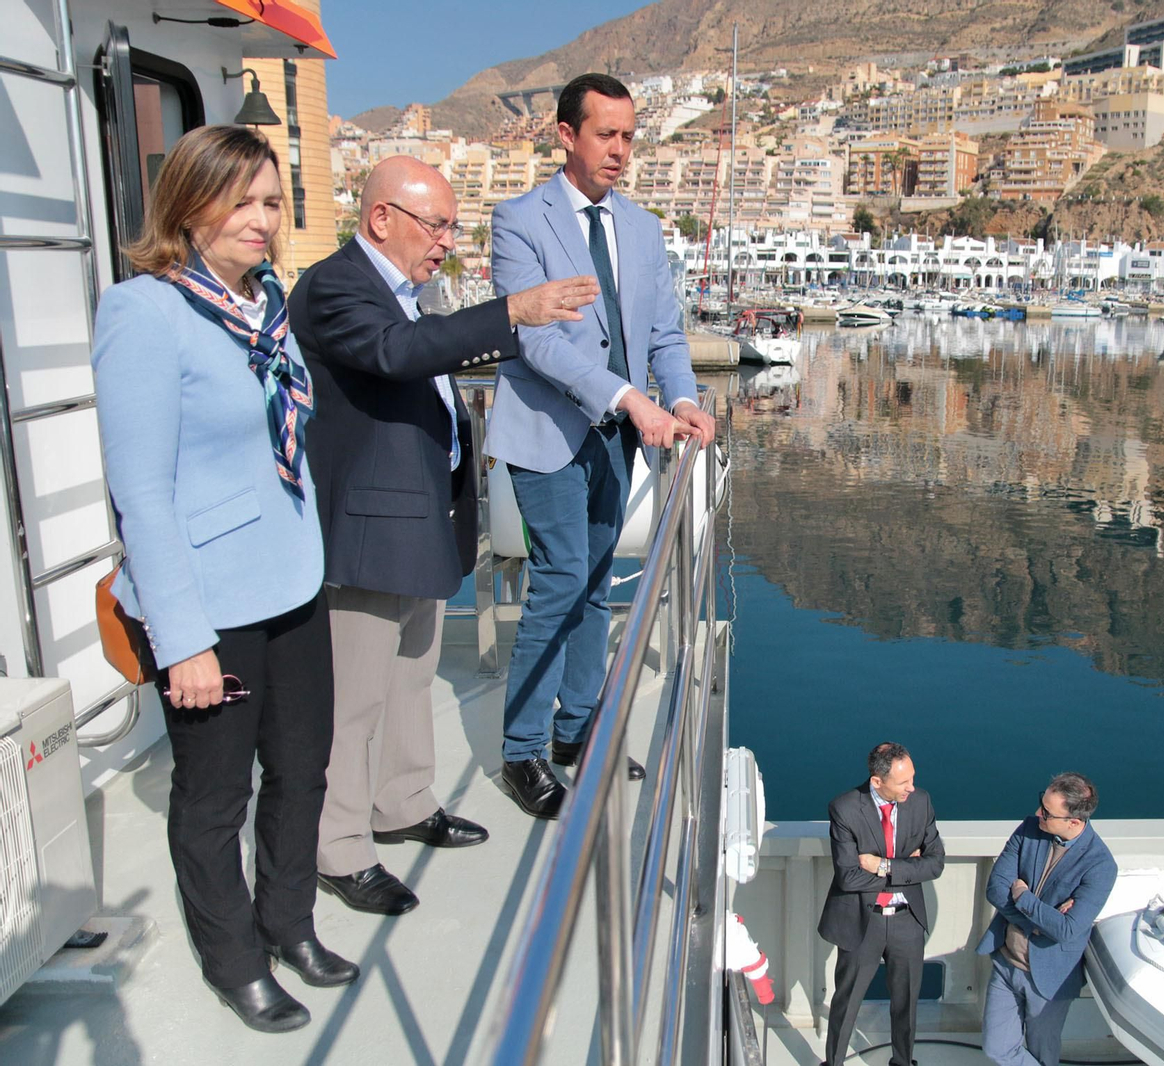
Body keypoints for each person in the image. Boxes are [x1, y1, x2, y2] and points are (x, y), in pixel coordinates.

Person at [90, 125, 354, 1034]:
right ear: (188, 205)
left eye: (273, 201)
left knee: (302, 769)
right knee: (214, 797)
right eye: (239, 199)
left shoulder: (263, 302)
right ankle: (234, 959)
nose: (262, 219)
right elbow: (143, 494)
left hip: (290, 581)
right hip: (208, 601)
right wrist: (183, 637)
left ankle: (289, 923)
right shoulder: (145, 311)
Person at [288, 157, 600, 916]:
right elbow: (397, 357)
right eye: (437, 225)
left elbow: (426, 356)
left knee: (409, 680)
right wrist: (514, 311)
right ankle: (339, 848)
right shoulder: (336, 288)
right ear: (381, 218)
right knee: (354, 700)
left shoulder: (401, 296)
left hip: (416, 525)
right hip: (366, 533)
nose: (446, 242)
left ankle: (402, 804)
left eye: (453, 227)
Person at [486, 73, 715, 818]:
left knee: (592, 584)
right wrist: (629, 397)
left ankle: (576, 734)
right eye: (605, 135)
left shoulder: (643, 228)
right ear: (565, 135)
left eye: (628, 136)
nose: (620, 151)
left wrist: (680, 396)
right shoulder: (518, 219)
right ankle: (521, 752)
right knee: (560, 580)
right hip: (547, 433)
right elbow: (537, 341)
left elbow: (664, 333)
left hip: (619, 439)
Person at [818, 742, 946, 1066]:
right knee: (847, 1001)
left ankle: (904, 1062)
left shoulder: (921, 802)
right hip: (863, 921)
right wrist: (907, 868)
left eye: (912, 778)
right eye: (904, 783)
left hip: (907, 919)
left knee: (906, 1002)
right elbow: (848, 877)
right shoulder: (845, 808)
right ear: (877, 782)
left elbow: (935, 864)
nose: (912, 788)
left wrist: (883, 866)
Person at [977, 772, 1118, 1066]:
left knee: (1043, 1054)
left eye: (1048, 813)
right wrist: (1042, 920)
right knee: (996, 1049)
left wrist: (1023, 896)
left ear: (1074, 822)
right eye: (1041, 804)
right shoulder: (1029, 828)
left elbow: (1067, 930)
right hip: (1006, 962)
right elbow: (995, 889)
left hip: (1050, 977)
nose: (1039, 814)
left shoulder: (1100, 865)